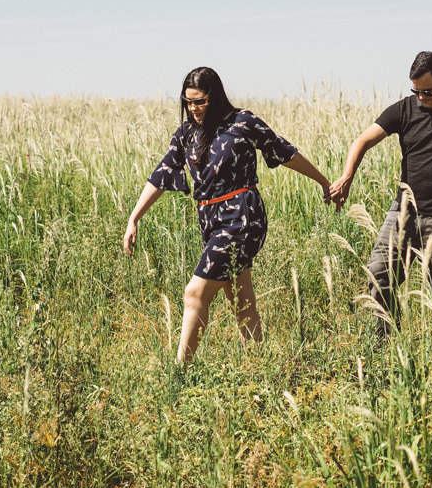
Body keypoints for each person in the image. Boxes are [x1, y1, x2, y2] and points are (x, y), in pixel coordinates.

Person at [123, 67, 335, 363]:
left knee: (195, 293)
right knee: (241, 300)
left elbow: (283, 151)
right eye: (188, 102)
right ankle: (261, 371)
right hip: (211, 221)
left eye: (200, 101)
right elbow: (162, 173)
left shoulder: (242, 122)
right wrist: (134, 218)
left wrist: (323, 181)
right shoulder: (186, 134)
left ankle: (180, 373)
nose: (193, 108)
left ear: (216, 97)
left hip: (243, 218)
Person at [329, 51, 432, 341]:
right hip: (403, 212)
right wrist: (347, 176)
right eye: (415, 91)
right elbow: (363, 140)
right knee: (379, 276)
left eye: (427, 91)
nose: (421, 97)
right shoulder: (404, 110)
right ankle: (386, 347)